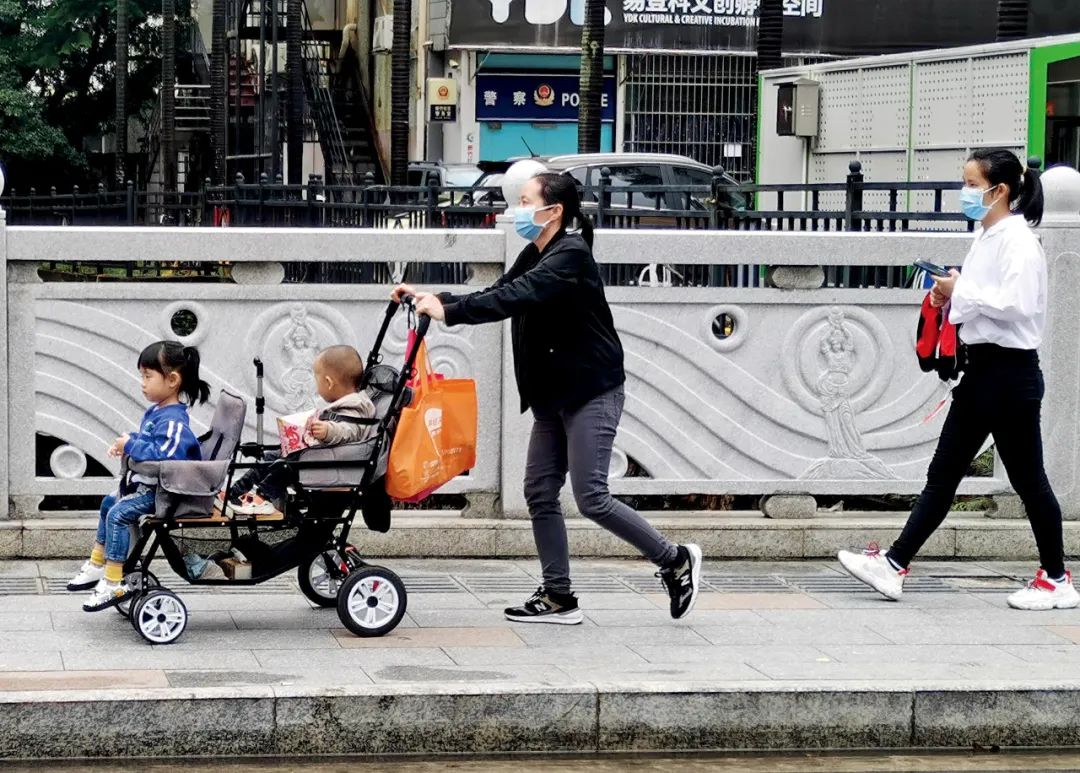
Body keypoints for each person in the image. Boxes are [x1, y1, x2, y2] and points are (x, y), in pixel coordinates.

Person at [391, 171, 702, 624]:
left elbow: (517, 296)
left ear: (553, 210)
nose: (516, 209)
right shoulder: (536, 250)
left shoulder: (570, 255)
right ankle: (558, 596)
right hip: (554, 394)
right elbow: (497, 291)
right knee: (539, 490)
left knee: (591, 495)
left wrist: (451, 313)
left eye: (524, 201)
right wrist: (434, 297)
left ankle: (673, 559)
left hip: (591, 389)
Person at [838, 147, 1077, 611]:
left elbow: (1018, 305)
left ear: (999, 190)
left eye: (971, 184)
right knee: (947, 474)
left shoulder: (1018, 240)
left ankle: (1055, 578)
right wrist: (952, 292)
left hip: (1008, 376)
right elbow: (988, 299)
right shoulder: (988, 234)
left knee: (1026, 481)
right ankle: (894, 565)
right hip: (987, 373)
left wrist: (959, 290)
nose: (965, 192)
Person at [66, 341, 211, 611]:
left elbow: (164, 453)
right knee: (109, 503)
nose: (142, 383)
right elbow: (148, 441)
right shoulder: (158, 412)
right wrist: (127, 441)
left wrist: (130, 446)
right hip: (148, 487)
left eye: (147, 376)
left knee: (118, 514)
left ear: (172, 380)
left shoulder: (175, 422)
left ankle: (112, 580)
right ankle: (98, 563)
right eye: (141, 376)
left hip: (164, 493)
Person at [222, 344, 378, 516]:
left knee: (284, 465)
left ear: (328, 383)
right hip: (320, 456)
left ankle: (263, 496)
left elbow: (351, 430)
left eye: (317, 379)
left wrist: (328, 430)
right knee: (271, 457)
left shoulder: (357, 405)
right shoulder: (348, 403)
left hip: (328, 464)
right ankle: (235, 491)